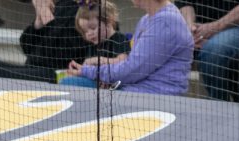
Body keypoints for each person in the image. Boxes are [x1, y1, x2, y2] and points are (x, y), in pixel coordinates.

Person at [0, 0, 129, 84]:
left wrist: (46, 16)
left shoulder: (95, 17)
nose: (89, 32)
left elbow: (67, 55)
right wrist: (38, 24)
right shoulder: (61, 4)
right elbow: (26, 46)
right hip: (33, 67)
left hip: (56, 73)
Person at [66, 0, 194, 94]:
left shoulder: (165, 22)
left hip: (153, 96)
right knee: (70, 83)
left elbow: (133, 70)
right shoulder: (147, 19)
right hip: (133, 89)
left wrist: (88, 71)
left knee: (71, 85)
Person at [185, 0, 239, 100]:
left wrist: (214, 27)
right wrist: (191, 29)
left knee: (213, 49)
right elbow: (184, 4)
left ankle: (218, 105)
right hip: (200, 30)